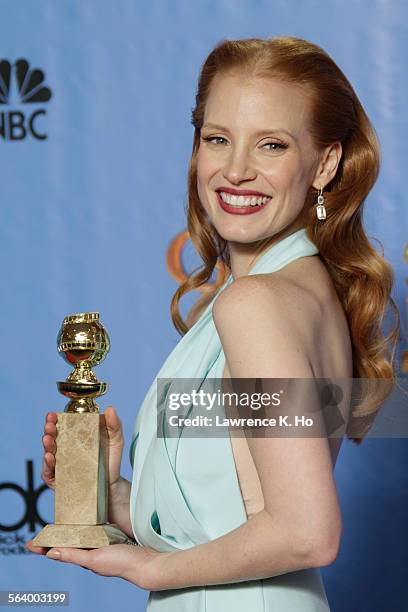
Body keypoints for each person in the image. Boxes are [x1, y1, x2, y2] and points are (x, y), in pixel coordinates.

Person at [27, 35, 400, 611]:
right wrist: (115, 493)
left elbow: (307, 532)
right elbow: (236, 516)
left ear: (325, 164)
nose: (236, 170)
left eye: (271, 145)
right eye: (218, 139)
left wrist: (153, 570)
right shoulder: (295, 290)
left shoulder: (254, 304)